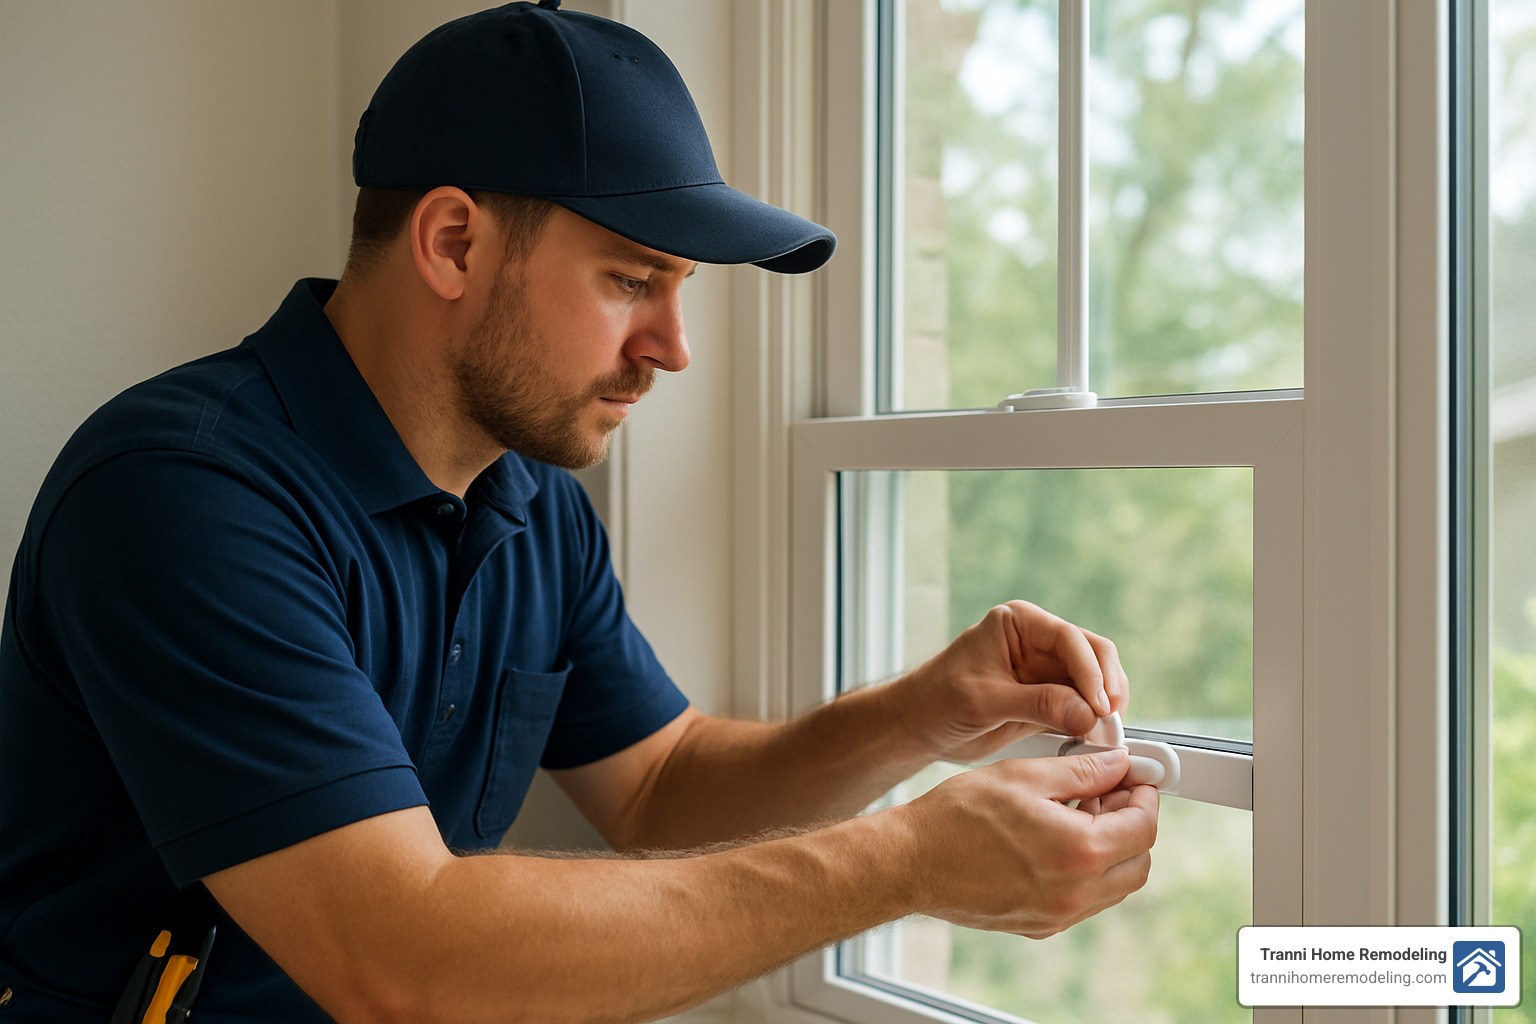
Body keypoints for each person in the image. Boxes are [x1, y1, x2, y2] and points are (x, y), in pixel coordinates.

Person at [0, 2, 1158, 1022]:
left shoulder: (531, 498)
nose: (674, 348)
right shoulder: (181, 496)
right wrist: (903, 860)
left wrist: (921, 715)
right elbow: (398, 957)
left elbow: (660, 790)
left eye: (679, 292)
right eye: (629, 279)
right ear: (452, 242)